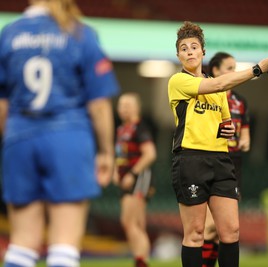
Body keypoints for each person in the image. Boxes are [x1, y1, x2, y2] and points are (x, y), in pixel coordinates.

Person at [0, 1, 119, 266]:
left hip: (19, 139)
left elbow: (2, 106)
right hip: (69, 139)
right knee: (64, 246)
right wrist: (106, 152)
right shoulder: (79, 32)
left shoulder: (8, 34)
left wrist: (11, 144)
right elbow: (98, 105)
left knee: (21, 245)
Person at [168, 21, 268, 267]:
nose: (189, 51)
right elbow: (218, 83)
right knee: (196, 233)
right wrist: (258, 69)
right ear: (178, 55)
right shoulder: (178, 81)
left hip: (221, 160)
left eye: (194, 46)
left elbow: (226, 123)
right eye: (183, 48)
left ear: (203, 52)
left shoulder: (218, 91)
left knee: (231, 232)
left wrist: (228, 129)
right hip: (190, 160)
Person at [202, 52, 251, 267]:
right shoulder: (207, 96)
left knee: (222, 228)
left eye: (234, 67)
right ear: (215, 70)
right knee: (210, 227)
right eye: (229, 68)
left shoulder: (240, 101)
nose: (234, 72)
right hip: (211, 159)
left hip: (233, 164)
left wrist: (246, 139)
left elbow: (245, 129)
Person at [114, 92, 157, 267]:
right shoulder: (121, 129)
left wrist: (132, 173)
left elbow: (150, 154)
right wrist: (116, 172)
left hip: (139, 178)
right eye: (121, 105)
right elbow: (120, 155)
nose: (124, 109)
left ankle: (141, 261)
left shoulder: (140, 128)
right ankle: (141, 259)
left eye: (128, 105)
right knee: (137, 223)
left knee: (128, 221)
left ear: (137, 108)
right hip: (127, 179)